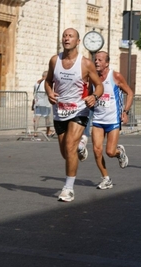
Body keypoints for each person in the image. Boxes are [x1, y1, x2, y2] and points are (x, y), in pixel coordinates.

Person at [44, 28, 103, 202]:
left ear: (78, 42)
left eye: (70, 36)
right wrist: (49, 92)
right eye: (64, 35)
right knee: (66, 152)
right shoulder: (55, 60)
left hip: (79, 109)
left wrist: (94, 96)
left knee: (69, 146)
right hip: (60, 111)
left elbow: (99, 85)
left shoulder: (85, 64)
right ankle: (80, 146)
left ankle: (68, 188)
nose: (66, 38)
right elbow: (48, 82)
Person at [91, 51, 134, 190]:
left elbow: (130, 93)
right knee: (97, 150)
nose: (97, 62)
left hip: (113, 119)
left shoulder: (115, 76)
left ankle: (119, 152)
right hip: (98, 119)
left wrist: (125, 111)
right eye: (95, 59)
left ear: (107, 63)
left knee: (110, 152)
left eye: (100, 60)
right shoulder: (92, 77)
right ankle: (106, 178)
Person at [33, 71, 55, 138]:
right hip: (46, 103)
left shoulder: (36, 83)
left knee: (37, 118)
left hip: (38, 102)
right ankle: (48, 131)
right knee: (47, 118)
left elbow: (34, 93)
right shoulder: (46, 83)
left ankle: (35, 132)